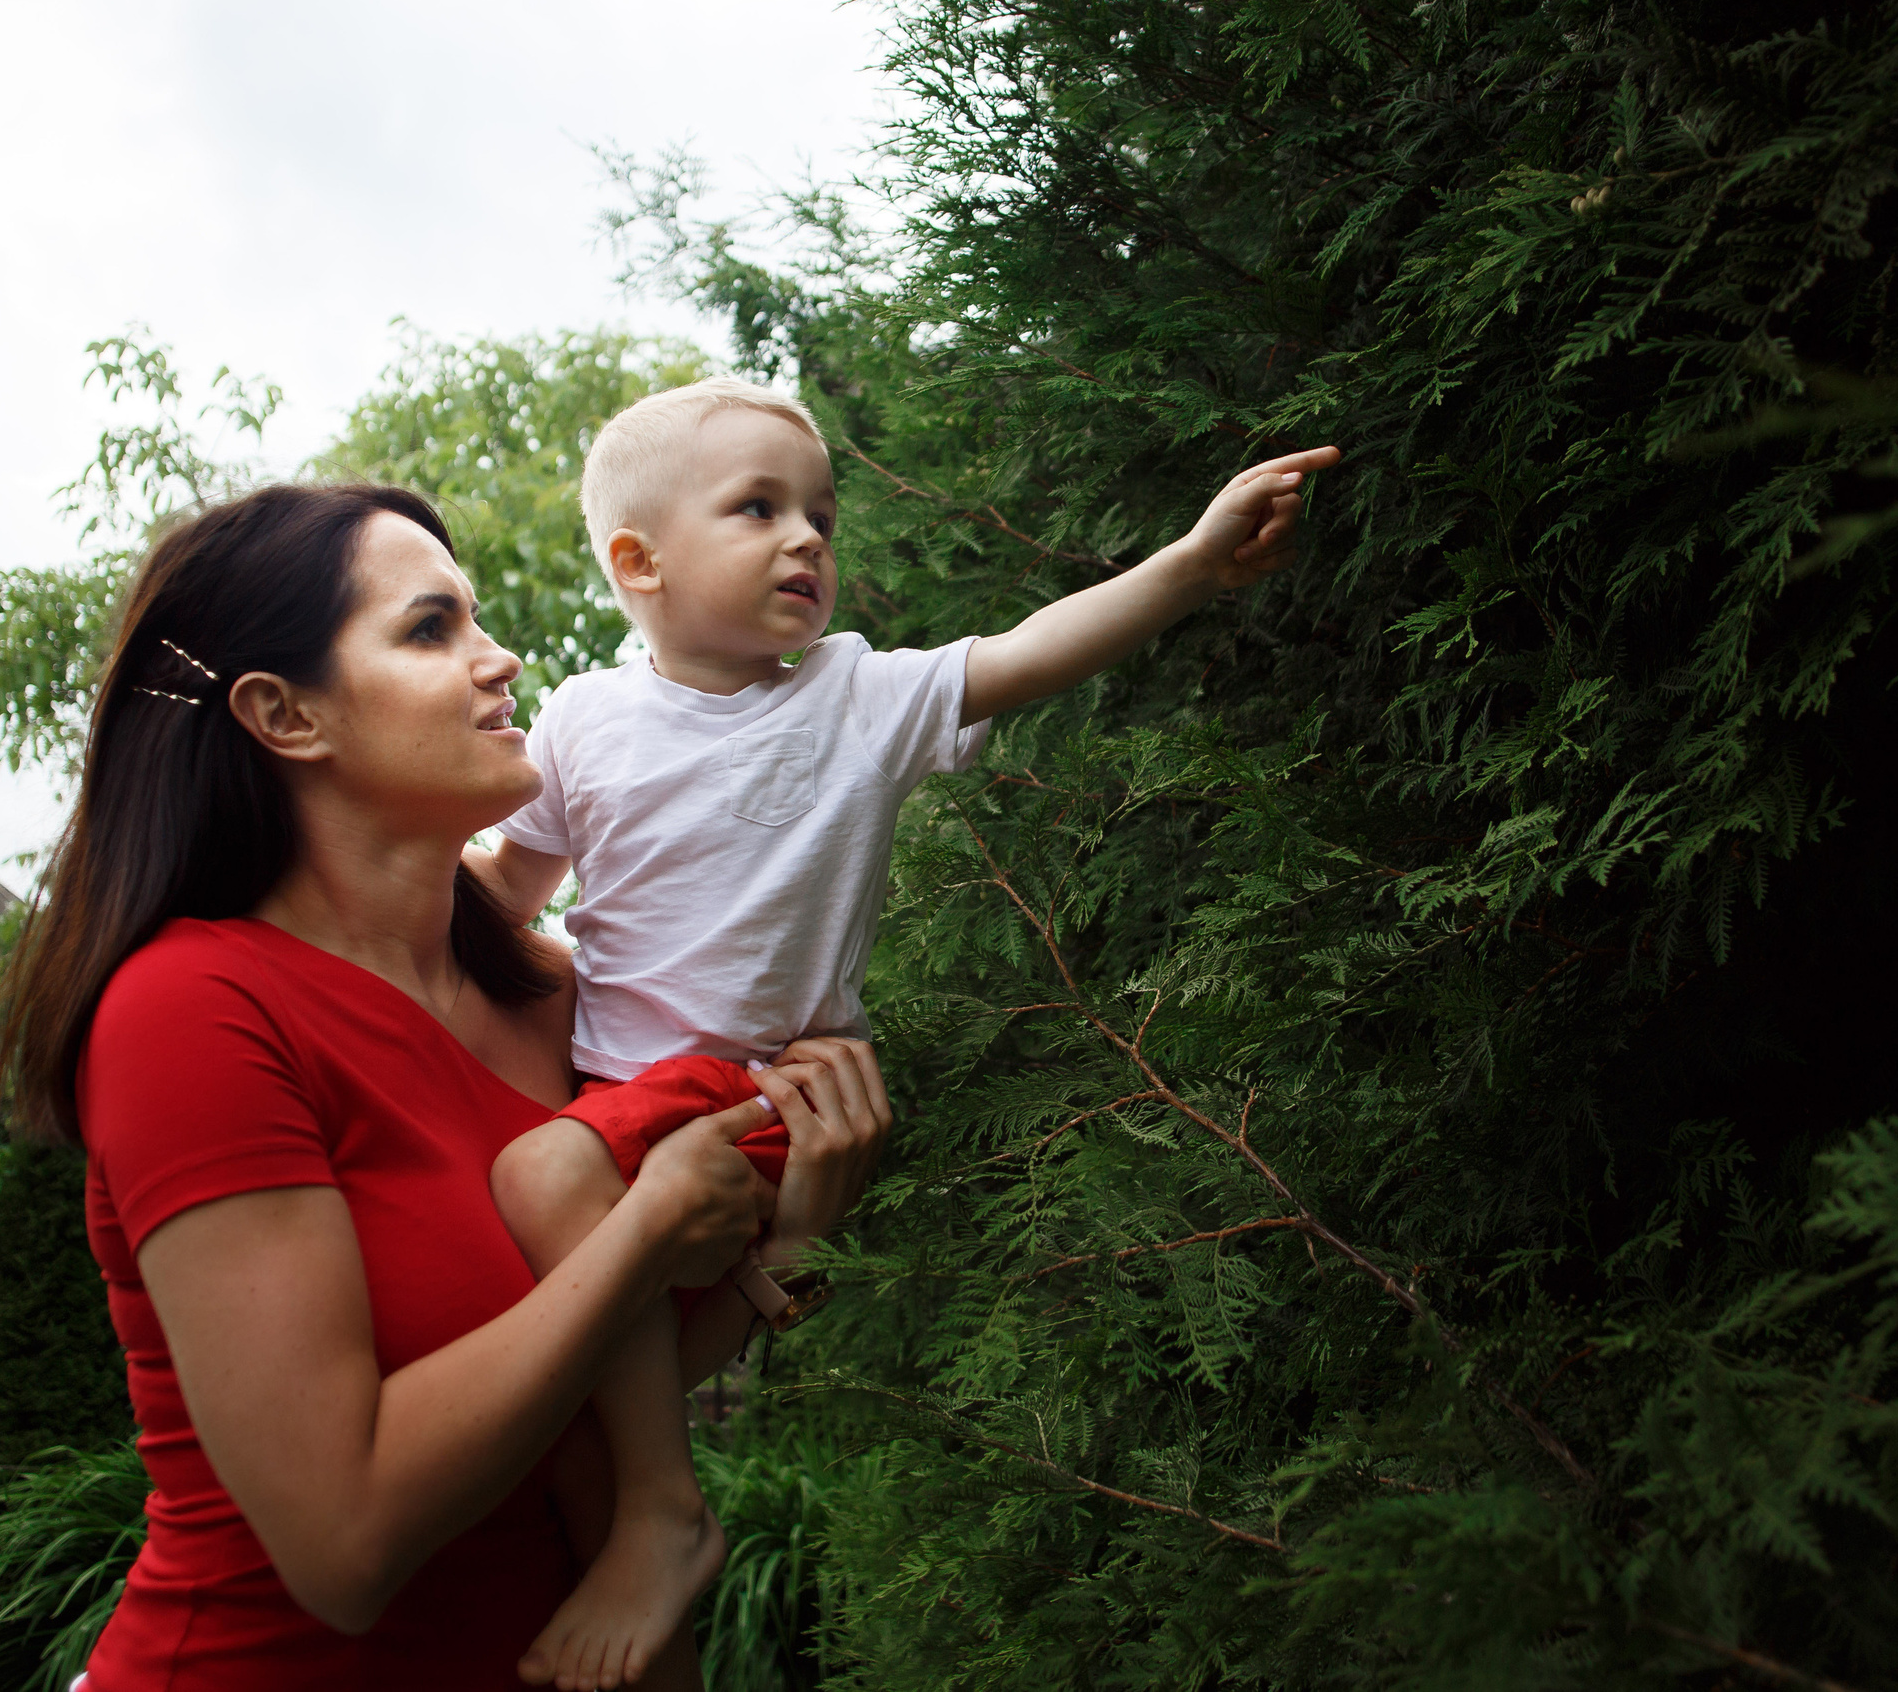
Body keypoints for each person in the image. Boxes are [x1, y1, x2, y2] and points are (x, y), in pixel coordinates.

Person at [477, 378, 1338, 1690]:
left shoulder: (852, 697)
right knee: (584, 1314)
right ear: (636, 562)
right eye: (758, 507)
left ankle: (663, 1509)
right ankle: (648, 1499)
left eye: (820, 511)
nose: (809, 536)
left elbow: (1031, 649)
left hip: (757, 1100)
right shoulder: (583, 721)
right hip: (624, 1110)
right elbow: (500, 898)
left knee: (542, 1174)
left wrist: (1188, 563)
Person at [0, 480, 894, 1691]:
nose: (499, 658)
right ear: (284, 715)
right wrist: (645, 1232)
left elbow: (594, 1382)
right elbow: (341, 1541)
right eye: (431, 630)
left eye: (474, 620)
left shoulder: (562, 994)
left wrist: (791, 1240)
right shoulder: (194, 1010)